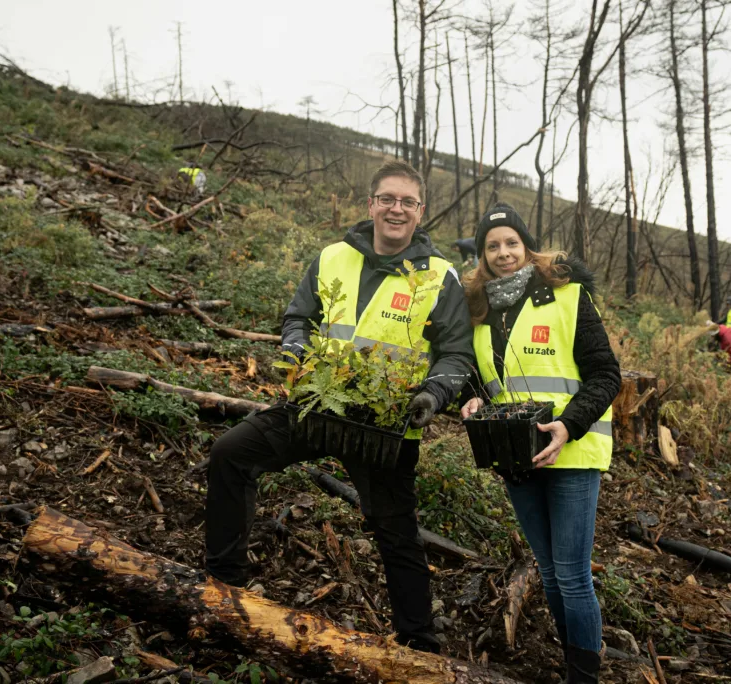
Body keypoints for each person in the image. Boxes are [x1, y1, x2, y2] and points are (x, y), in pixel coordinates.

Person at [205, 160, 474, 654]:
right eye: (387, 199)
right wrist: (293, 357)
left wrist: (432, 395)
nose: (396, 209)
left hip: (386, 422)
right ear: (371, 203)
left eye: (407, 202)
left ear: (420, 211)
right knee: (230, 454)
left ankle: (419, 646)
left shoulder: (440, 277)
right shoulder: (333, 257)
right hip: (318, 404)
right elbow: (298, 319)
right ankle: (224, 590)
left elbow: (457, 353)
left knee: (397, 533)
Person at [458, 203, 622, 683]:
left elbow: (606, 375)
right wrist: (467, 401)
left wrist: (568, 425)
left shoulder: (567, 296)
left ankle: (583, 677)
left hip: (571, 451)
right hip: (516, 454)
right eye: (493, 246)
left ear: (527, 247)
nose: (504, 253)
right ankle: (573, 661)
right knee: (549, 574)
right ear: (483, 255)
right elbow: (474, 378)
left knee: (572, 577)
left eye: (512, 243)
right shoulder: (479, 307)